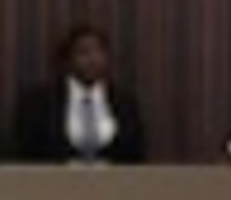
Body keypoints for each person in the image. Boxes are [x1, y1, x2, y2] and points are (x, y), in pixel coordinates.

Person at [20, 25, 150, 165]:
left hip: (114, 184)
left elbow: (136, 155)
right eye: (83, 52)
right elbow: (27, 155)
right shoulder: (40, 103)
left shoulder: (125, 104)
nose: (92, 59)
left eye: (99, 52)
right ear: (67, 60)